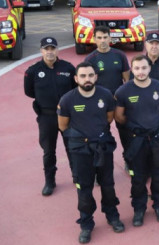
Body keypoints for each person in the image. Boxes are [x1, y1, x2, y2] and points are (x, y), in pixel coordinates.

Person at [57, 62, 124, 243]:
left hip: (103, 147)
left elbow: (108, 119)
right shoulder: (67, 100)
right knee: (84, 188)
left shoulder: (106, 95)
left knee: (108, 184)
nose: (87, 79)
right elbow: (63, 126)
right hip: (80, 151)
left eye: (90, 75)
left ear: (96, 77)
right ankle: (86, 223)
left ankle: (112, 215)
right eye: (83, 76)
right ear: (76, 79)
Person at [114, 55, 159, 226]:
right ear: (132, 70)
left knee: (158, 174)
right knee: (138, 178)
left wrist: (151, 126)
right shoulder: (123, 91)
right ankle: (139, 209)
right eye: (137, 68)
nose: (140, 72)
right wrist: (136, 128)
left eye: (144, 68)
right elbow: (119, 116)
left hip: (156, 138)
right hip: (136, 141)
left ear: (149, 69)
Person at [24, 37, 76, 196]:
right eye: (46, 49)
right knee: (48, 151)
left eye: (52, 48)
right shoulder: (32, 71)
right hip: (46, 117)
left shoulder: (68, 68)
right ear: (41, 51)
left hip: (67, 116)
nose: (50, 52)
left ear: (57, 50)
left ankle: (78, 176)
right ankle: (50, 181)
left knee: (72, 148)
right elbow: (29, 92)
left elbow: (75, 89)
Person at [84, 26, 130, 153]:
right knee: (101, 133)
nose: (102, 40)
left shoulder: (119, 55)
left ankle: (129, 160)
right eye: (99, 38)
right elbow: (87, 84)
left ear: (110, 38)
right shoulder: (90, 59)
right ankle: (103, 163)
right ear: (94, 39)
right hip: (100, 103)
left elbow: (128, 81)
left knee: (126, 132)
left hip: (119, 101)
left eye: (105, 37)